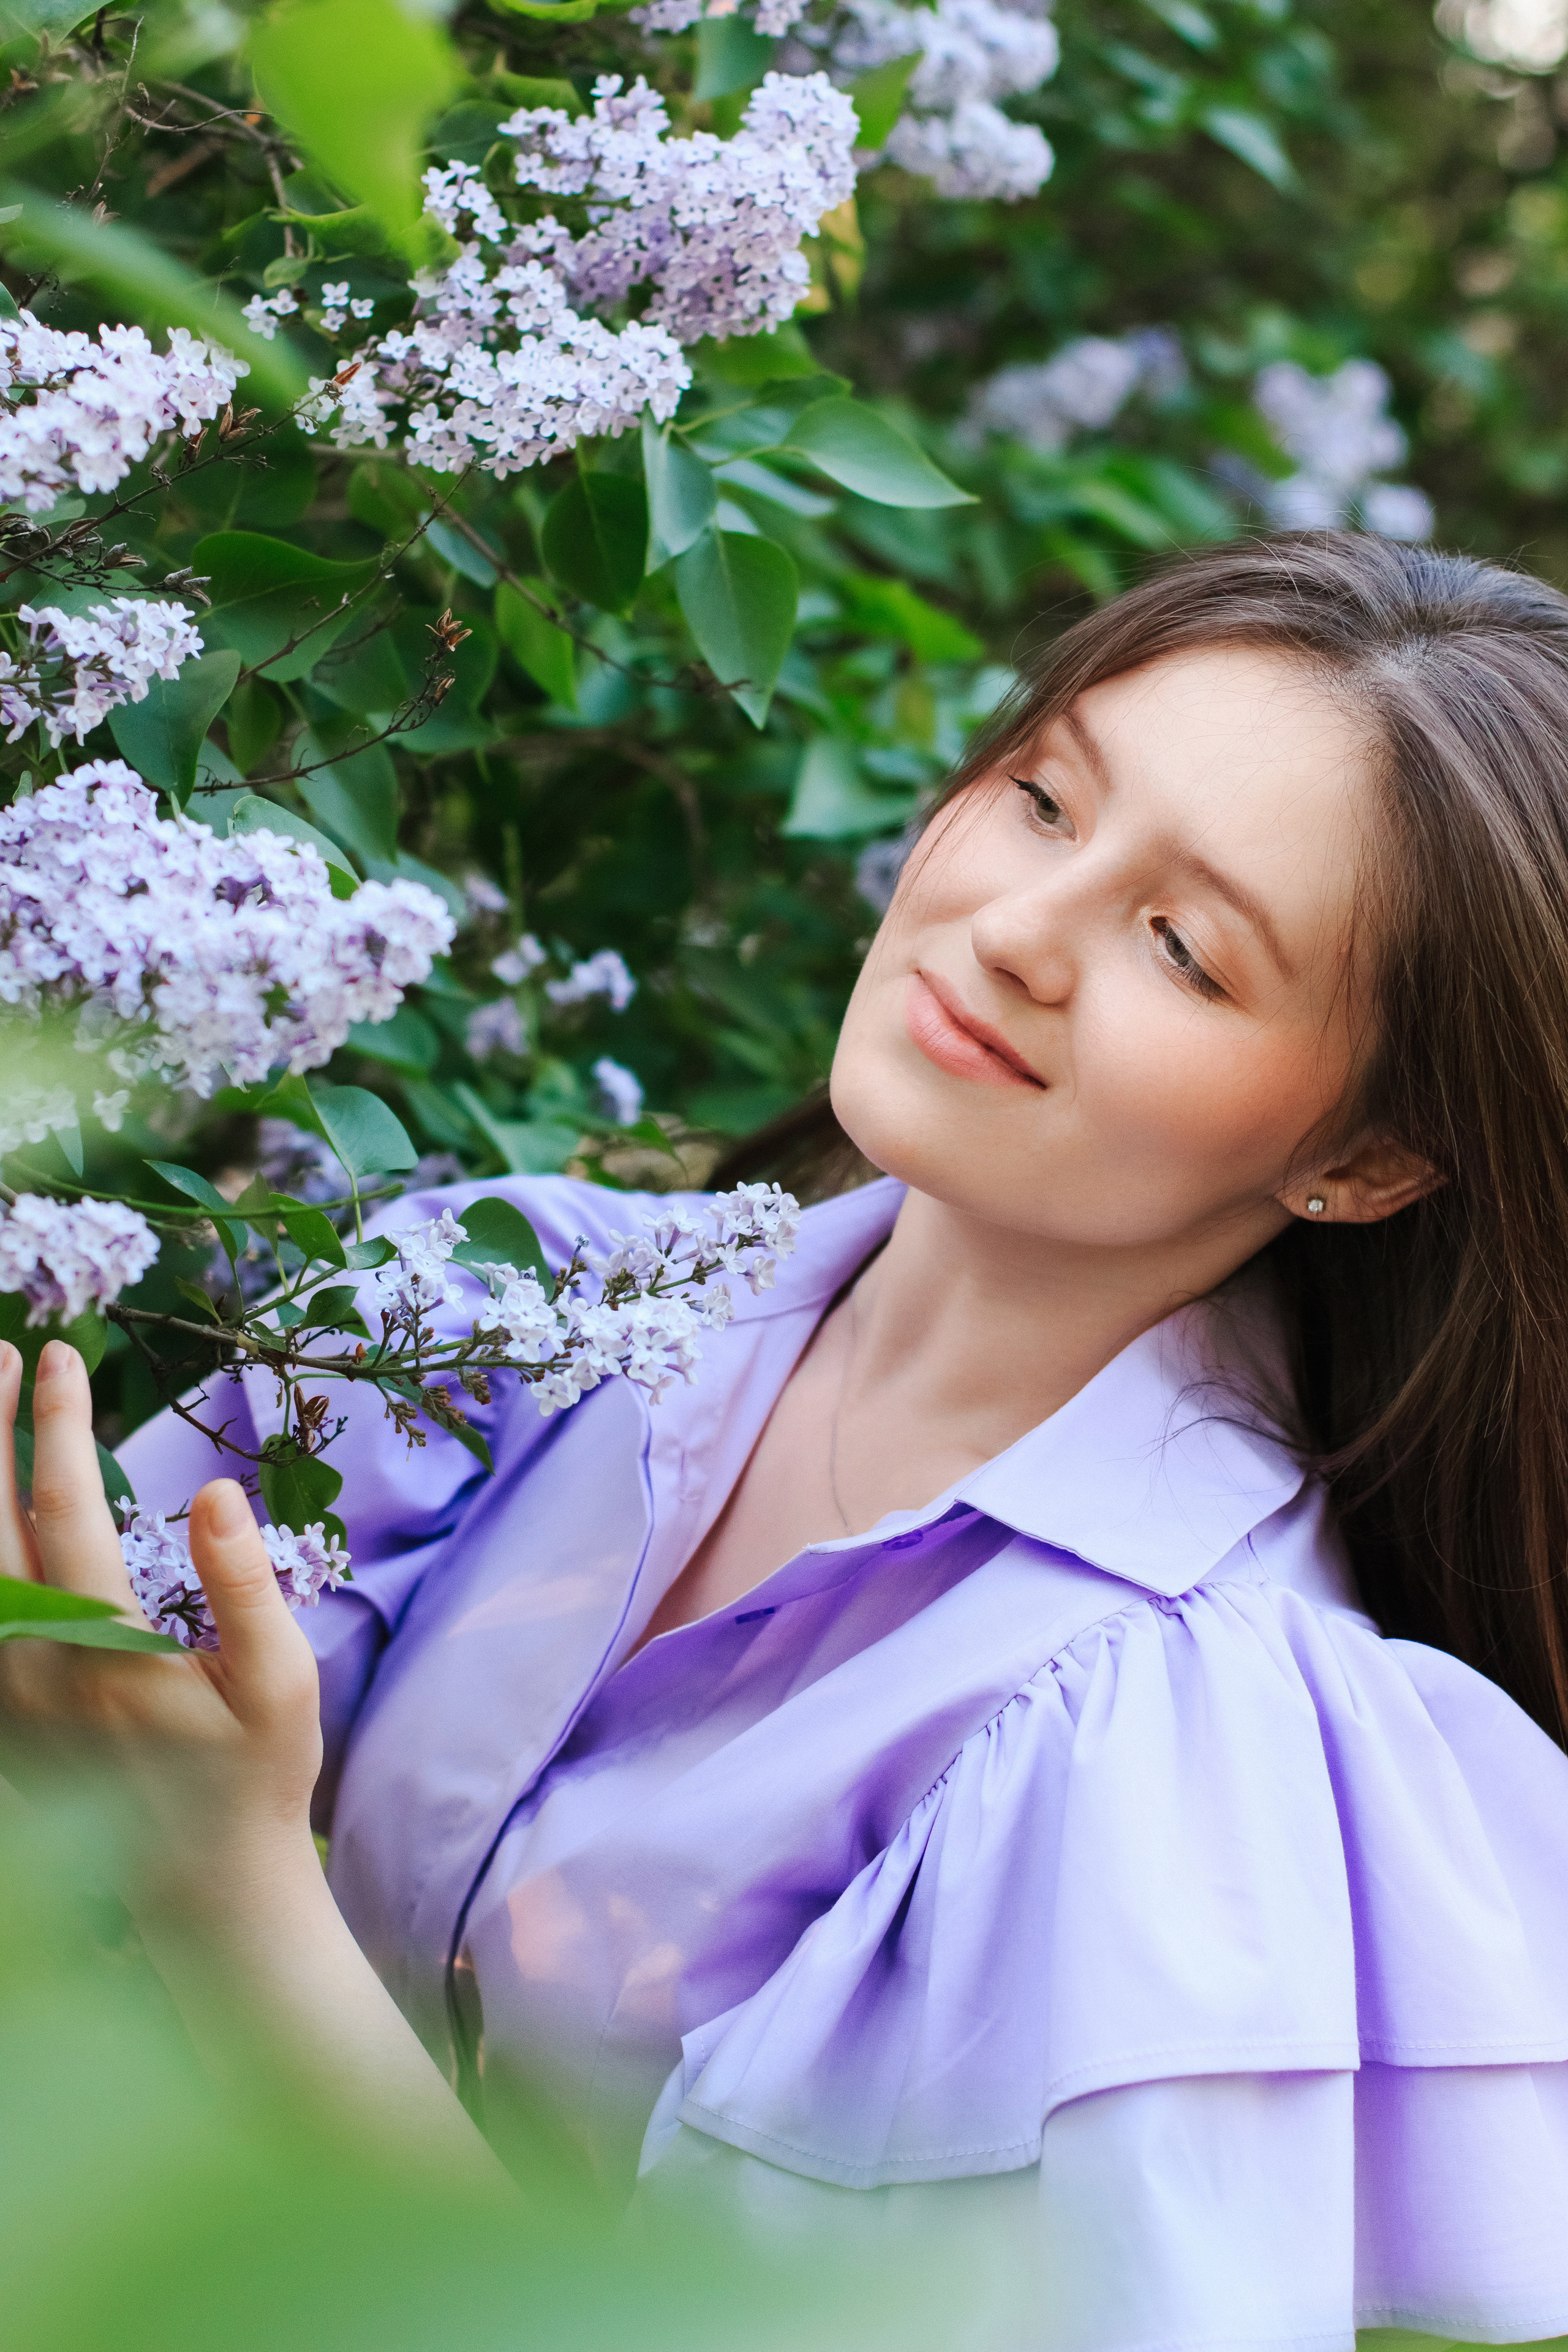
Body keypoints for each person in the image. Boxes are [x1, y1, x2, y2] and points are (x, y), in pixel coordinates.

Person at [5, 531, 1568, 2349]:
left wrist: (230, 1880)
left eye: (1182, 947)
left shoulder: (1169, 1761)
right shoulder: (511, 1310)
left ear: (1363, 1161)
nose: (1016, 931)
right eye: (1047, 799)